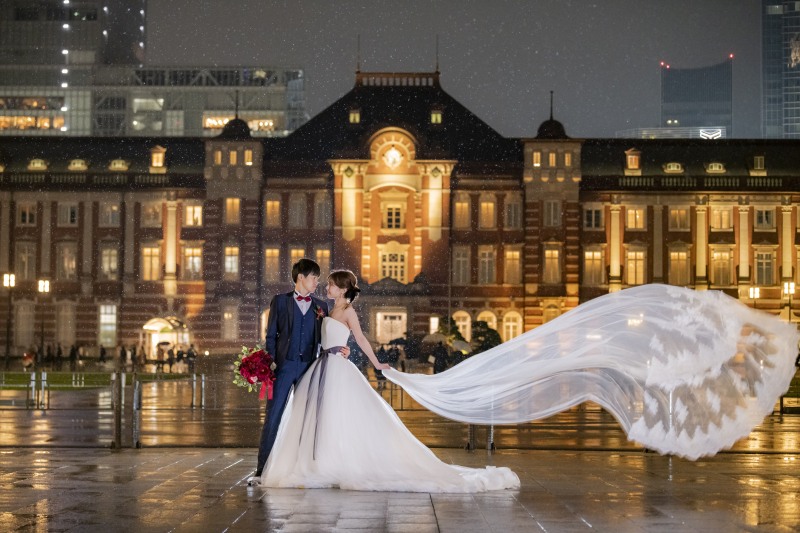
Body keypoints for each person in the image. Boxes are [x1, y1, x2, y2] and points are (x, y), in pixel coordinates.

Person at [261, 269, 520, 492]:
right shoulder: (327, 308)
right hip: (322, 365)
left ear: (341, 289)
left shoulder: (348, 311)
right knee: (320, 416)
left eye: (329, 284)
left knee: (338, 415)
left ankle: (336, 462)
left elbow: (360, 339)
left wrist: (376, 363)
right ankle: (320, 461)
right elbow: (317, 337)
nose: (325, 287)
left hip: (337, 368)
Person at [250, 258, 348, 485]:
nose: (317, 282)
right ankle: (261, 470)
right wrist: (272, 362)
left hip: (309, 368)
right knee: (273, 417)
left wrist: (342, 346)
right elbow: (271, 335)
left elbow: (329, 335)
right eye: (314, 277)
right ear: (301, 277)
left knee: (307, 420)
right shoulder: (280, 302)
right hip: (282, 369)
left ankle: (305, 468)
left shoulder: (321, 306)